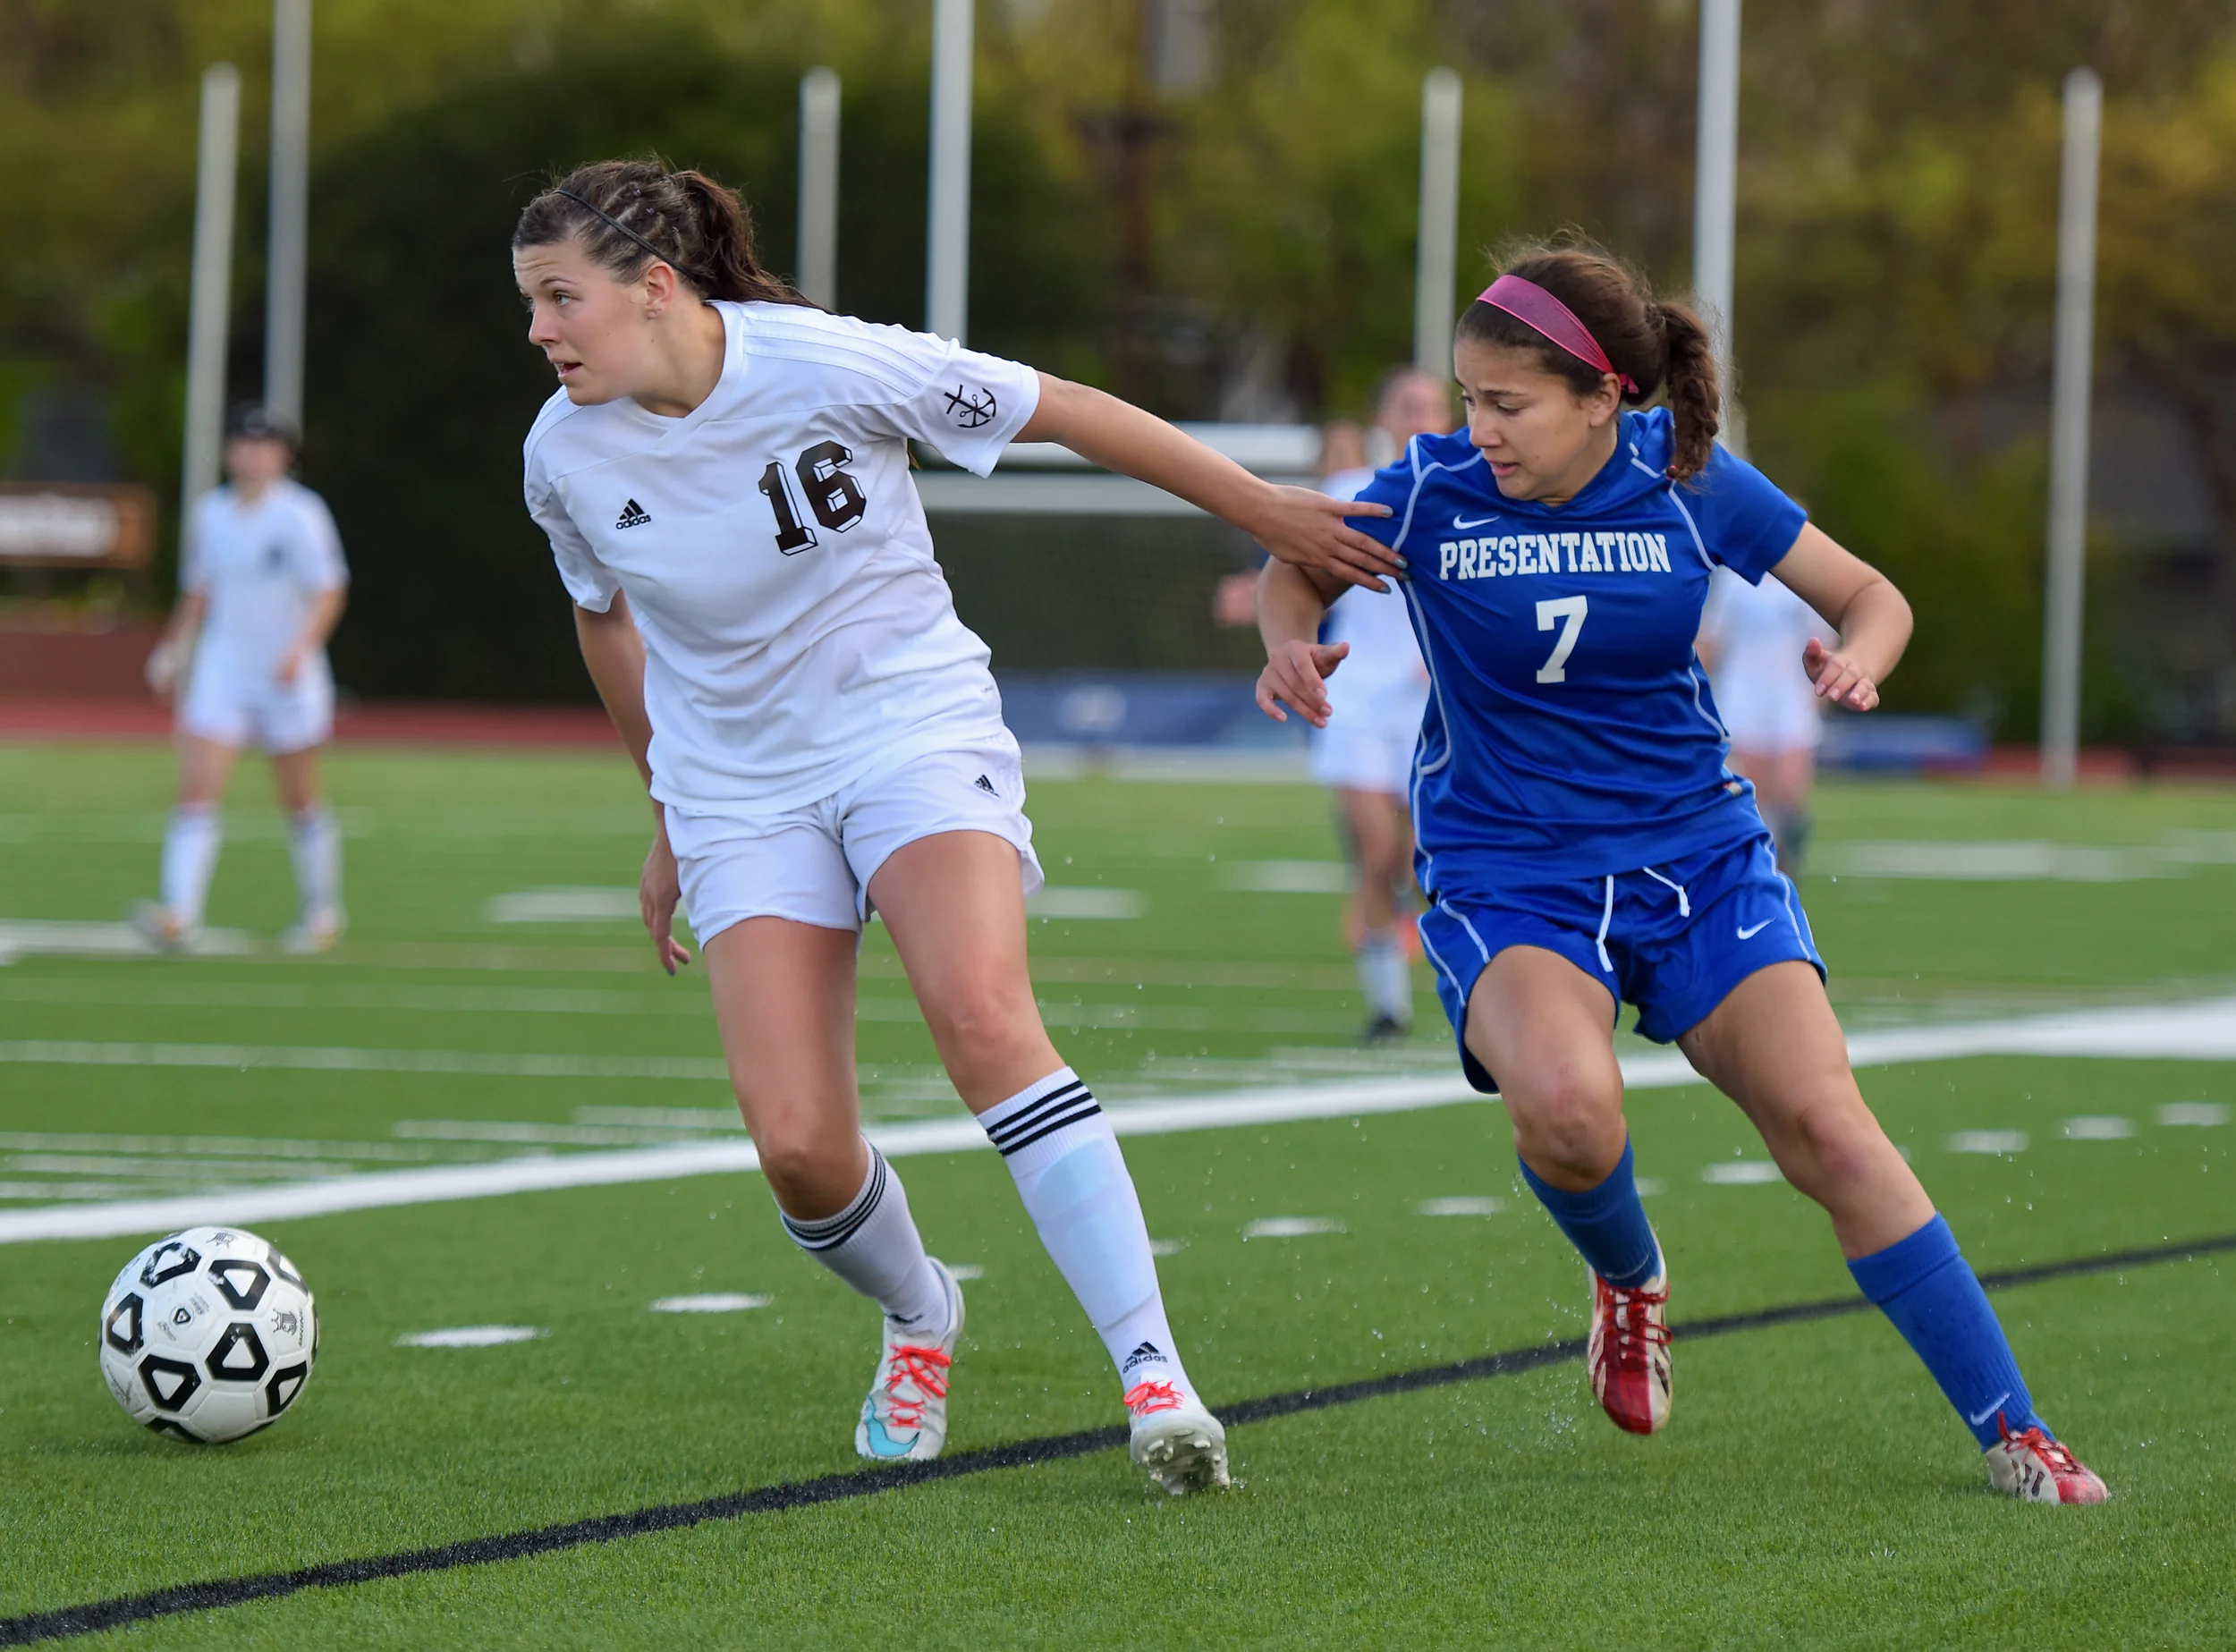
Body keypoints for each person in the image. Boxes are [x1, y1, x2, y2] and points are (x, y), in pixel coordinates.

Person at [511, 159, 1394, 1493]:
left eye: (559, 298)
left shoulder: (826, 362)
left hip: (908, 725)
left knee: (982, 1016)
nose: (540, 332)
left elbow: (1071, 409)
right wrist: (669, 812)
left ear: (652, 286)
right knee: (800, 1145)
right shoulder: (562, 455)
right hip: (741, 785)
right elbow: (601, 615)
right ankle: (922, 1312)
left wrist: (1264, 512)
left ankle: (1155, 1374)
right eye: (529, 304)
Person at [1251, 243, 2106, 1504]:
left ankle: (2016, 1426)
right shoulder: (1428, 490)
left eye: (1508, 404)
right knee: (1570, 1112)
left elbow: (1871, 594)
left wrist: (1859, 656)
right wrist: (1289, 646)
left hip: (1700, 857)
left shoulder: (1687, 478)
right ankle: (1631, 1277)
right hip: (1513, 871)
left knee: (1830, 1128)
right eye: (1469, 398)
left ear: (1602, 397)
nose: (1476, 428)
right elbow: (1295, 562)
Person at [140, 405, 349, 953]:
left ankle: (322, 910)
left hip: (286, 675)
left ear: (283, 455)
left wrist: (298, 651)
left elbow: (329, 591)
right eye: (243, 444)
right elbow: (199, 592)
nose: (253, 455)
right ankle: (179, 912)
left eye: (265, 445)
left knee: (299, 796)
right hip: (224, 667)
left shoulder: (302, 514)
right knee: (197, 790)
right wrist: (172, 649)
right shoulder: (212, 514)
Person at [1310, 371, 1449, 1039]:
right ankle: (1388, 1007)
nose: (1420, 416)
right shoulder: (1349, 493)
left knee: (1418, 858)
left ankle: (1465, 987)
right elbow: (1296, 571)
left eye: (1431, 406)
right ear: (1383, 417)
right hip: (1358, 700)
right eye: (1407, 406)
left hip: (1428, 710)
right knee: (1375, 849)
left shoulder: (1463, 497)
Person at [1697, 563, 1826, 873]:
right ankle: (1763, 869)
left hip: (1790, 693)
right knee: (1757, 794)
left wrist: (1820, 691)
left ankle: (1788, 862)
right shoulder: (1734, 579)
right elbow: (1711, 639)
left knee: (1791, 792)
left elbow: (1822, 640)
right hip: (1744, 693)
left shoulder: (1806, 578)